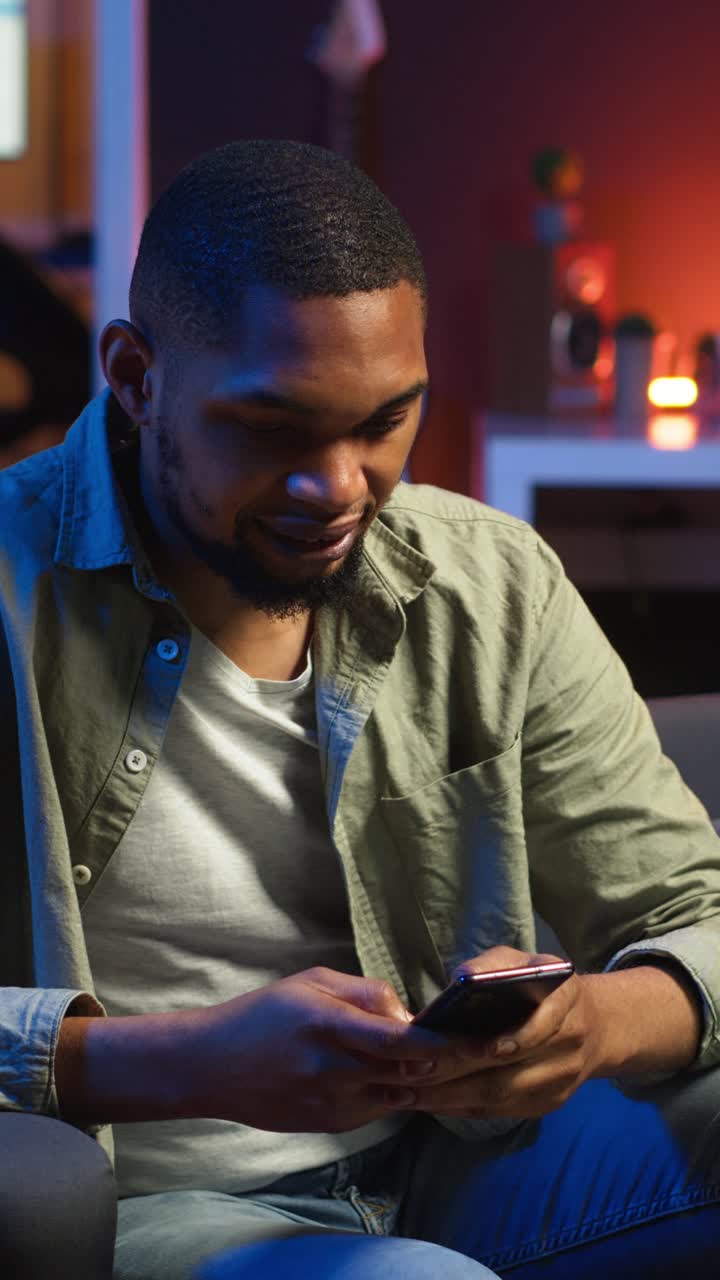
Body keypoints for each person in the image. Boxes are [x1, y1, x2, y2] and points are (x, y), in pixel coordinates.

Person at [1, 139, 720, 1280]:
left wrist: (594, 1022)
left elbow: (698, 910)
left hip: (465, 1160)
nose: (338, 488)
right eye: (275, 428)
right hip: (158, 1202)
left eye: (384, 422)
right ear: (137, 378)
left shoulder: (490, 581)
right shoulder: (8, 588)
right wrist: (182, 1060)